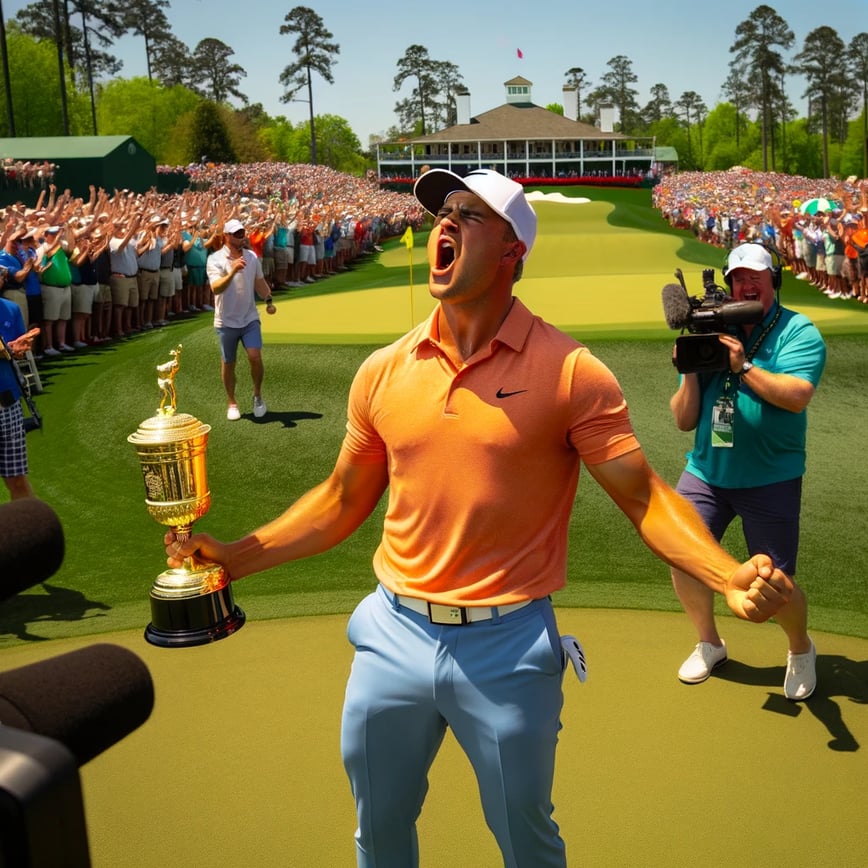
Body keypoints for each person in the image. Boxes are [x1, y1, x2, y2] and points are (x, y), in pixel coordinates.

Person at [167, 170, 794, 867]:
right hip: (390, 633)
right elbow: (343, 499)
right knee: (377, 828)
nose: (444, 222)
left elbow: (644, 497)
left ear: (510, 252)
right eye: (440, 211)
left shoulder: (571, 371)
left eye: (467, 213)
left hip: (508, 644)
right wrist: (235, 557)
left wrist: (728, 574)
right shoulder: (383, 369)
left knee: (525, 836)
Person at [669, 242, 826, 701]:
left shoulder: (799, 331)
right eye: (738, 276)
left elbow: (796, 395)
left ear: (773, 279)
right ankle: (709, 642)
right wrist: (692, 372)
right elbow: (683, 419)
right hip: (706, 471)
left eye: (756, 275)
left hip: (771, 475)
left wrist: (743, 364)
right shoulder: (712, 327)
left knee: (775, 581)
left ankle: (800, 648)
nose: (746, 283)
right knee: (683, 557)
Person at [205, 218, 276, 421]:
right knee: (229, 363)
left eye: (242, 232)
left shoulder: (252, 257)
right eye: (236, 233)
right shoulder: (215, 259)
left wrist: (268, 299)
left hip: (249, 318)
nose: (241, 236)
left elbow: (259, 281)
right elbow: (216, 287)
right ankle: (232, 401)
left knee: (255, 356)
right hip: (225, 321)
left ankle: (257, 396)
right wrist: (233, 270)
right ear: (226, 236)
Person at [0, 289, 39, 500]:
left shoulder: (10, 309)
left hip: (9, 404)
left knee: (17, 478)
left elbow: (15, 351)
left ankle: (30, 531)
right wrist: (7, 348)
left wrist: (18, 348)